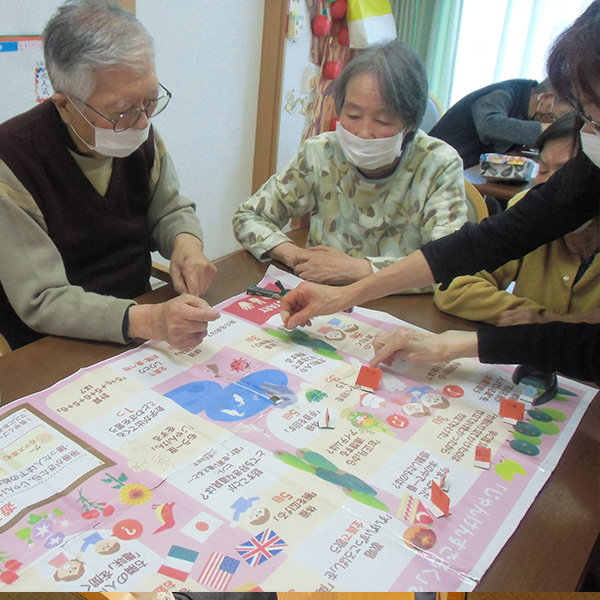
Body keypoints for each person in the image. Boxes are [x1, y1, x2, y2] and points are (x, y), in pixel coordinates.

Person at [280, 0, 600, 386]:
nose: (588, 132)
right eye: (587, 115)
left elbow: (587, 346)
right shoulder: (320, 150)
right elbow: (483, 243)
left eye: (596, 116)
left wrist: (461, 344)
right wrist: (345, 295)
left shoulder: (437, 161)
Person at [0, 0, 219, 351]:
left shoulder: (137, 131)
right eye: (121, 111)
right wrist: (148, 320)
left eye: (149, 101)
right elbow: (43, 299)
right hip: (52, 346)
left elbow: (169, 210)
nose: (143, 122)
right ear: (64, 106)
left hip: (140, 330)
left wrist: (186, 245)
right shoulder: (11, 163)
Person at [233, 41, 467, 288]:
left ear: (409, 123)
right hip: (320, 298)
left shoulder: (438, 164)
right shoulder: (321, 152)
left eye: (383, 120)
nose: (364, 133)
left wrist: (363, 270)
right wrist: (295, 254)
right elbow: (248, 216)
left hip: (397, 306)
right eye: (353, 116)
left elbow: (451, 263)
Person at [435, 112, 600, 326]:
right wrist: (535, 317)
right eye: (543, 170)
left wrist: (554, 323)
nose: (548, 185)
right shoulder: (529, 211)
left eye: (565, 173)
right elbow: (453, 285)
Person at [429, 77, 572, 168]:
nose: (550, 122)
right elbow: (490, 126)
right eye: (554, 118)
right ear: (546, 98)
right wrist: (545, 130)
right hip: (436, 167)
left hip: (469, 169)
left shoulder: (527, 108)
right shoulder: (502, 93)